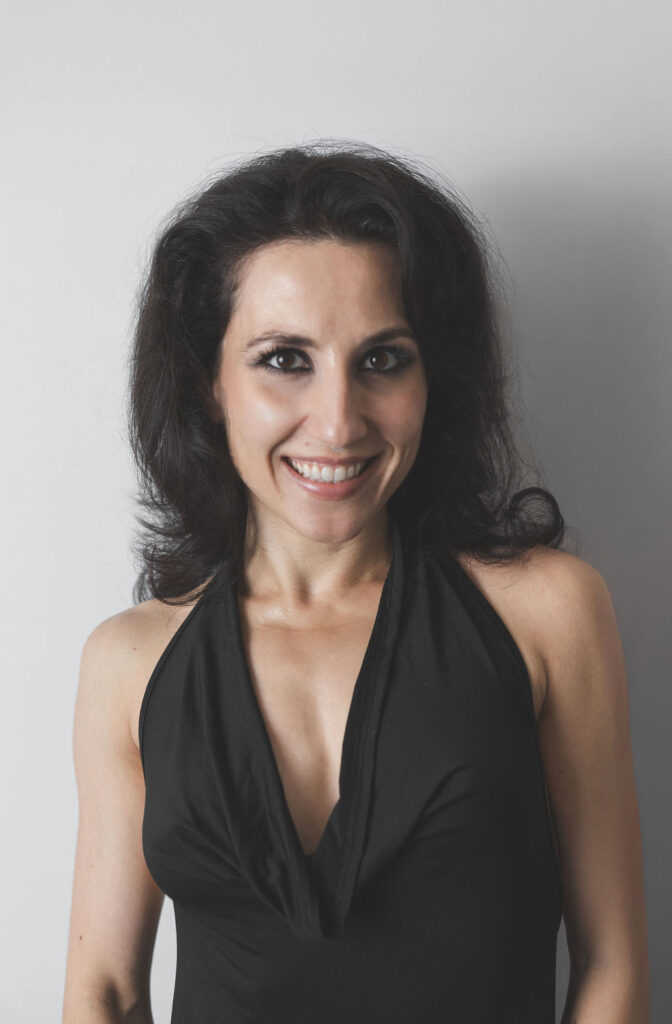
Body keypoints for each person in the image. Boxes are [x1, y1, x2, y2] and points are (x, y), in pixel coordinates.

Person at [62, 141, 649, 1023]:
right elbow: (104, 989)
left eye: (382, 359)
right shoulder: (129, 662)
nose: (337, 423)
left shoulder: (547, 613)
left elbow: (612, 966)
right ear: (208, 382)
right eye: (284, 359)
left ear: (431, 377)